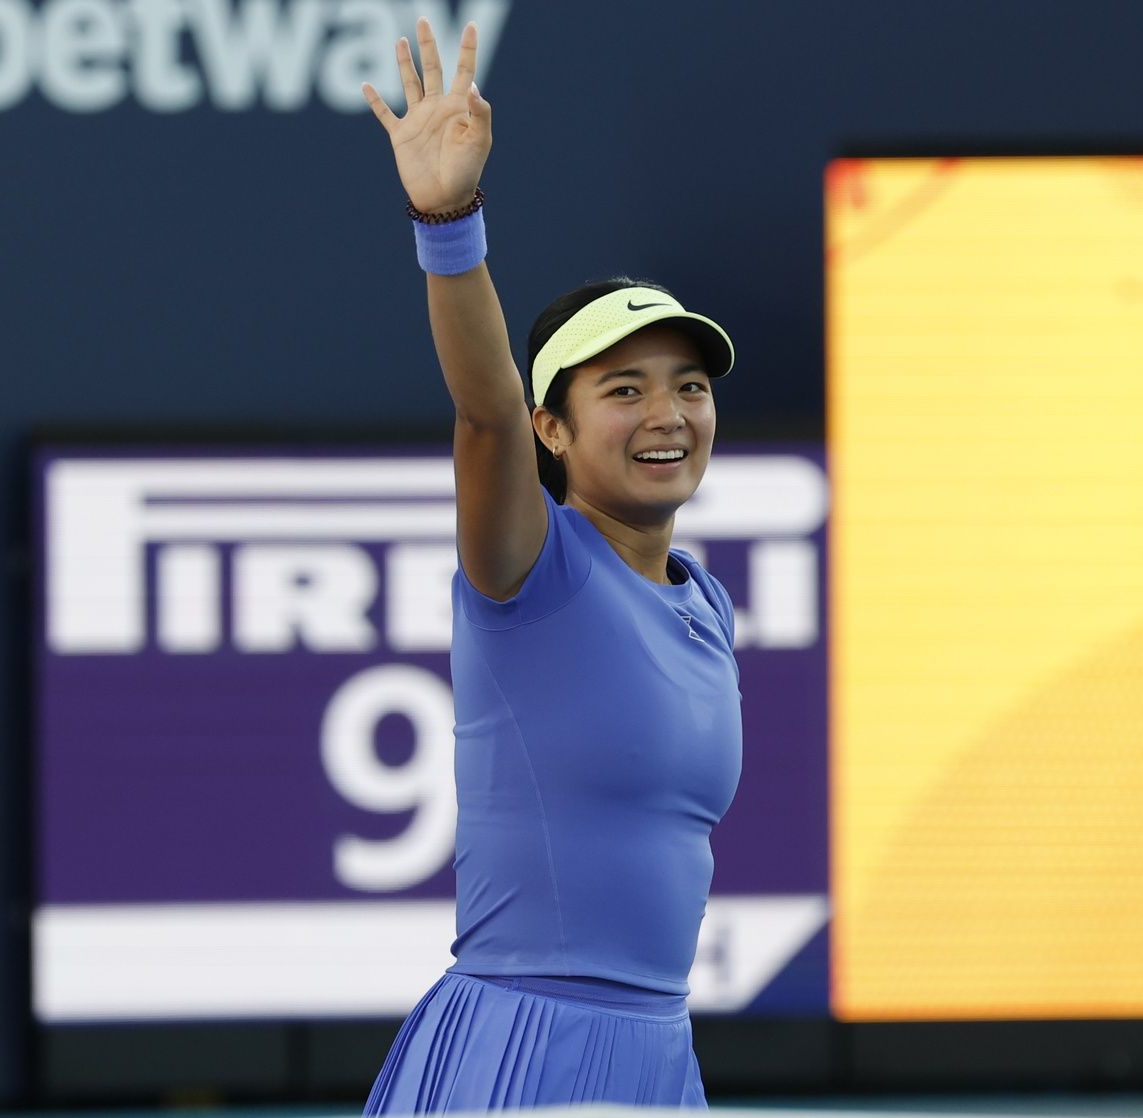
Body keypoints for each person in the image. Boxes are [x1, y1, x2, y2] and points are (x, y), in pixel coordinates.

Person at [358, 18, 742, 1112]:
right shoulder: (531, 567)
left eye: (687, 385)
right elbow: (482, 412)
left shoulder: (703, 601)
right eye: (621, 390)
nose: (667, 412)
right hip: (519, 1052)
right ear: (553, 430)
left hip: (657, 1053)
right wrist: (447, 219)